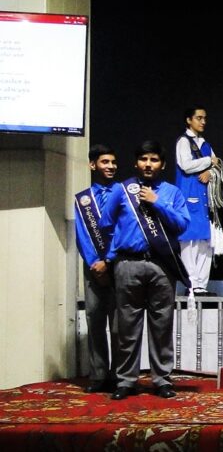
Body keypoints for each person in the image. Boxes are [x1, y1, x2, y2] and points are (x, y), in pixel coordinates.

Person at [100, 140, 190, 400]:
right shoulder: (122, 190)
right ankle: (126, 381)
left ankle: (162, 380)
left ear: (162, 164)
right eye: (143, 159)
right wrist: (113, 255)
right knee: (127, 327)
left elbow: (182, 224)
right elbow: (105, 223)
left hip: (162, 266)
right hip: (128, 264)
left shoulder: (172, 193)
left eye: (154, 159)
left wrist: (157, 202)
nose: (148, 164)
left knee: (162, 325)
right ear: (136, 162)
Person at [73, 144, 119, 393]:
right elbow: (81, 234)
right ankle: (99, 376)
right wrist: (95, 264)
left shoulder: (123, 193)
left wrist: (109, 261)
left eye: (113, 162)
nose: (110, 166)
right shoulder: (83, 199)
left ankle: (120, 375)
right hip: (93, 268)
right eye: (105, 162)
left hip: (118, 264)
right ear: (93, 165)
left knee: (120, 325)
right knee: (95, 320)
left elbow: (124, 230)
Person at [175, 106, 221, 296]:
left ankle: (201, 285)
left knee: (205, 242)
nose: (203, 122)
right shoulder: (183, 141)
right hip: (188, 196)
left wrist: (210, 172)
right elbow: (186, 165)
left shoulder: (206, 144)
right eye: (199, 118)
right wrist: (209, 162)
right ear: (189, 120)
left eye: (204, 118)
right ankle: (192, 284)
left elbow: (218, 165)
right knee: (189, 241)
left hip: (204, 199)